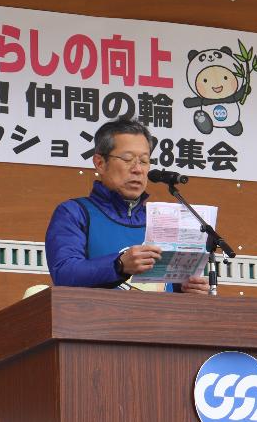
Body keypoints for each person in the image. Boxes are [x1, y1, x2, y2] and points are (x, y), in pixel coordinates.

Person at [45, 119, 209, 293]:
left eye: (144, 161)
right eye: (127, 159)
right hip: (95, 311)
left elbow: (165, 286)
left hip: (157, 312)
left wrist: (185, 288)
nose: (138, 169)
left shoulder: (160, 219)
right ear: (100, 163)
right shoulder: (75, 213)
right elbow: (64, 273)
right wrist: (119, 265)